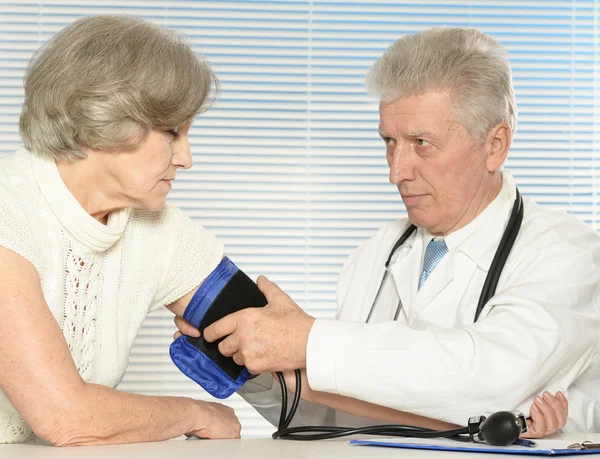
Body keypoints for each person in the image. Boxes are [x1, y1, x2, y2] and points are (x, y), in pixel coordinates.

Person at [182, 27, 600, 434]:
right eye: (389, 142)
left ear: (495, 145)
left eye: (421, 142)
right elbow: (328, 423)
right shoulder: (375, 254)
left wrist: (308, 342)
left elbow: (493, 382)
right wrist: (255, 362)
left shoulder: (568, 254)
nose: (397, 172)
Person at [0, 15, 242, 445]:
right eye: (172, 132)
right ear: (102, 119)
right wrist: (193, 413)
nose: (186, 158)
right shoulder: (9, 212)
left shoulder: (158, 229)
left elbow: (266, 338)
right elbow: (65, 416)